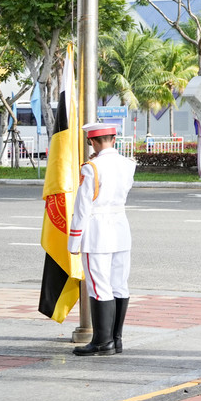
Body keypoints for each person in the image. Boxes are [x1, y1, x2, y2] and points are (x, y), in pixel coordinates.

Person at [68, 123, 138, 357]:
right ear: (114, 140)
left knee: (99, 287)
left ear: (92, 142)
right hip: (120, 227)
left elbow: (82, 207)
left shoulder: (91, 168)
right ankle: (116, 340)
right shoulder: (128, 165)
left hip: (97, 230)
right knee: (119, 284)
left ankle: (101, 342)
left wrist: (73, 242)